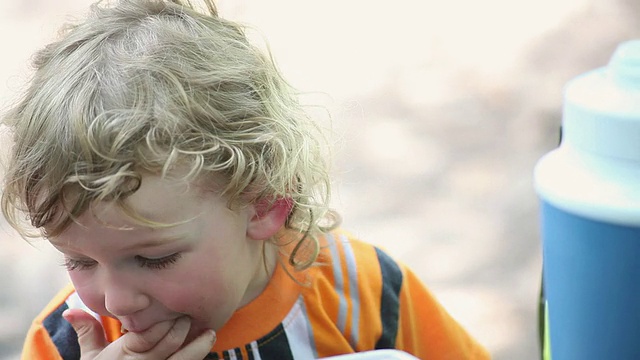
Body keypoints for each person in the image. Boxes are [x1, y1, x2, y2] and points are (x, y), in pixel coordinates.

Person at [0, 0, 491, 359]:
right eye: (79, 260)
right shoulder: (65, 342)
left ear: (263, 202)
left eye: (154, 258)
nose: (115, 300)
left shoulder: (359, 289)